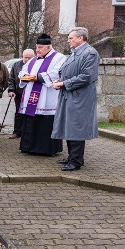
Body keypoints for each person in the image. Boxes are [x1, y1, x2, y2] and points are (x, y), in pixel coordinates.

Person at [52, 27, 100, 171]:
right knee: (69, 126)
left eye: (71, 38)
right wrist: (60, 81)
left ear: (81, 38)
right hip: (70, 95)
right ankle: (72, 157)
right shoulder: (74, 53)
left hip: (80, 97)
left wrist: (64, 83)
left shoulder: (90, 53)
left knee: (76, 128)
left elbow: (87, 76)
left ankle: (76, 161)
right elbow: (66, 71)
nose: (68, 40)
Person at [18, 34, 67, 156]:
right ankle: (28, 147)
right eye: (36, 47)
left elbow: (57, 73)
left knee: (45, 123)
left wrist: (38, 77)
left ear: (48, 47)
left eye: (40, 47)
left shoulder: (59, 57)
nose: (37, 50)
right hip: (31, 97)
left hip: (47, 96)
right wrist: (24, 76)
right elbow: (23, 70)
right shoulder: (34, 59)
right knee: (31, 120)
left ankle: (45, 149)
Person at [7, 49, 35, 139]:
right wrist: (11, 90)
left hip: (32, 94)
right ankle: (17, 131)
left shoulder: (36, 65)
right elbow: (11, 79)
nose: (27, 59)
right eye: (25, 57)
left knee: (30, 114)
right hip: (20, 94)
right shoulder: (16, 65)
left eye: (29, 58)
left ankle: (29, 132)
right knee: (18, 113)